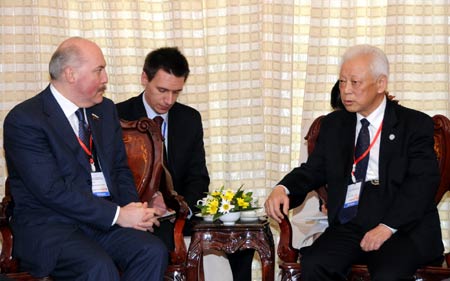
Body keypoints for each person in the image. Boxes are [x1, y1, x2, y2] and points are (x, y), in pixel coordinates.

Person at [265, 44, 444, 281]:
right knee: (316, 263)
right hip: (352, 220)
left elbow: (422, 183)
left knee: (389, 273)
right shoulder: (335, 125)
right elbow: (313, 169)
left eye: (355, 83)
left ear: (381, 84)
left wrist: (387, 227)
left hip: (402, 225)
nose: (346, 91)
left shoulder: (414, 124)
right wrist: (283, 188)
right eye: (342, 82)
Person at [3, 37, 168, 280]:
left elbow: (120, 169)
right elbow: (51, 191)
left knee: (152, 251)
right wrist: (118, 215)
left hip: (102, 222)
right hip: (52, 226)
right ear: (71, 74)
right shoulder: (26, 119)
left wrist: (132, 210)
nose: (105, 79)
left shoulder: (104, 110)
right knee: (97, 267)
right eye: (99, 70)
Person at [116, 47, 255, 281]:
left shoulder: (189, 118)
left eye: (176, 92)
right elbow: (113, 176)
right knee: (157, 247)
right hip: (140, 215)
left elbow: (198, 177)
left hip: (182, 213)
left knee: (243, 242)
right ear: (144, 78)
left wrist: (181, 207)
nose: (168, 100)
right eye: (162, 90)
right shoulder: (118, 116)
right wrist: (147, 202)